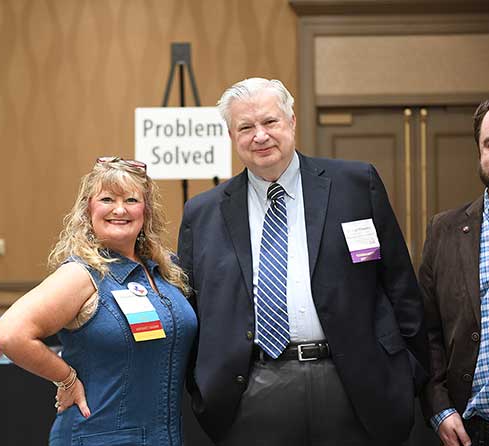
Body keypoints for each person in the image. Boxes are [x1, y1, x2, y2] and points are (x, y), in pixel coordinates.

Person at [177, 78, 429, 446]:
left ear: (292, 122)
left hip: (355, 385)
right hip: (250, 391)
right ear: (231, 135)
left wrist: (408, 374)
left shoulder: (356, 184)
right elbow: (192, 310)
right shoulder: (202, 213)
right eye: (245, 127)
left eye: (270, 122)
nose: (260, 136)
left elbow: (400, 286)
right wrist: (202, 390)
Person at [0, 157, 197, 446]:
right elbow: (10, 334)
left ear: (146, 210)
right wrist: (66, 379)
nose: (119, 209)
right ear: (88, 208)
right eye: (107, 199)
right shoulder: (81, 274)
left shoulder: (163, 271)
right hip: (100, 435)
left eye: (131, 199)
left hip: (163, 436)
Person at [420, 93, 489, 446]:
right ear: (479, 152)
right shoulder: (444, 231)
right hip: (478, 436)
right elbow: (425, 333)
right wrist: (439, 408)